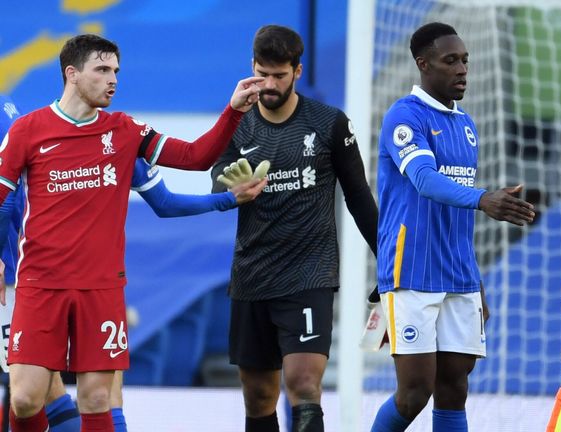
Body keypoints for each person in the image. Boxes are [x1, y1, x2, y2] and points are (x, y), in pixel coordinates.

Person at [0, 34, 264, 432]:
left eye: (116, 71)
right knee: (23, 399)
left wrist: (233, 113)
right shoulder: (27, 130)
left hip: (101, 287)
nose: (113, 80)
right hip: (40, 284)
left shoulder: (125, 132)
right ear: (71, 74)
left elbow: (195, 157)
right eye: (102, 70)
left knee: (97, 398)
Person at [210, 25, 378, 432]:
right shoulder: (238, 122)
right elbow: (216, 176)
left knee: (303, 385)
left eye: (279, 75)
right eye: (262, 73)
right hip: (252, 275)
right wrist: (229, 186)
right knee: (259, 397)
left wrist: (390, 261)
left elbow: (359, 198)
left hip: (309, 273)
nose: (268, 84)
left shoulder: (329, 124)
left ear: (297, 71)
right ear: (252, 67)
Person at [370, 22, 536, 432]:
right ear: (423, 64)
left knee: (454, 387)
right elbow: (425, 181)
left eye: (465, 60)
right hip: (411, 271)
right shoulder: (404, 116)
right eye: (450, 61)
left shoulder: (466, 125)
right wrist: (484, 198)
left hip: (459, 275)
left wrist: (476, 281)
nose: (462, 69)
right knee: (414, 392)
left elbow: (456, 217)